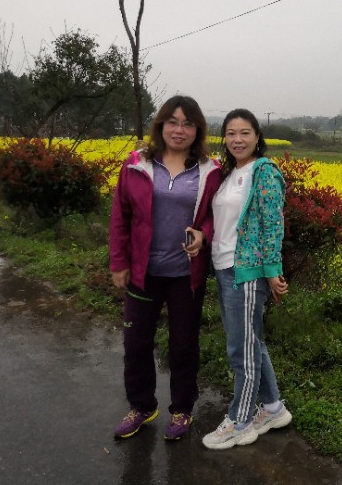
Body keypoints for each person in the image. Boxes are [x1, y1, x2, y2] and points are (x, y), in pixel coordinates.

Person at [109, 95, 222, 441]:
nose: (179, 129)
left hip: (186, 276)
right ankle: (142, 406)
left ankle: (182, 410)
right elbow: (120, 218)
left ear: (198, 130)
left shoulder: (210, 170)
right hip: (144, 273)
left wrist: (204, 236)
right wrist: (119, 263)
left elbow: (217, 217)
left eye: (188, 123)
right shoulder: (136, 165)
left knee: (184, 345)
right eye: (173, 121)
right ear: (161, 125)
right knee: (136, 342)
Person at [198, 108, 291, 450]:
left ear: (257, 137)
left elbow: (272, 226)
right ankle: (273, 408)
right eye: (231, 133)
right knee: (251, 342)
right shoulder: (227, 174)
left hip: (246, 273)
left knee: (241, 349)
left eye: (245, 133)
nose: (237, 139)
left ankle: (240, 421)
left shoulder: (263, 171)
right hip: (224, 268)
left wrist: (273, 272)